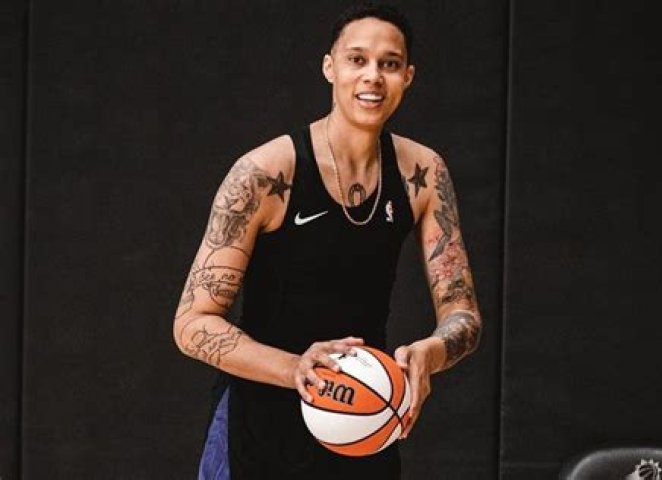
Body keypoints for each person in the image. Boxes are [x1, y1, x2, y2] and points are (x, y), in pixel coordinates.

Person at [173, 3, 482, 479]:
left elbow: (463, 314)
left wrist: (430, 352)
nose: (373, 76)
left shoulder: (422, 173)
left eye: (389, 63)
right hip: (260, 422)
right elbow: (192, 324)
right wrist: (297, 368)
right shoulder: (265, 173)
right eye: (357, 59)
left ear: (408, 77)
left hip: (364, 412)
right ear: (329, 67)